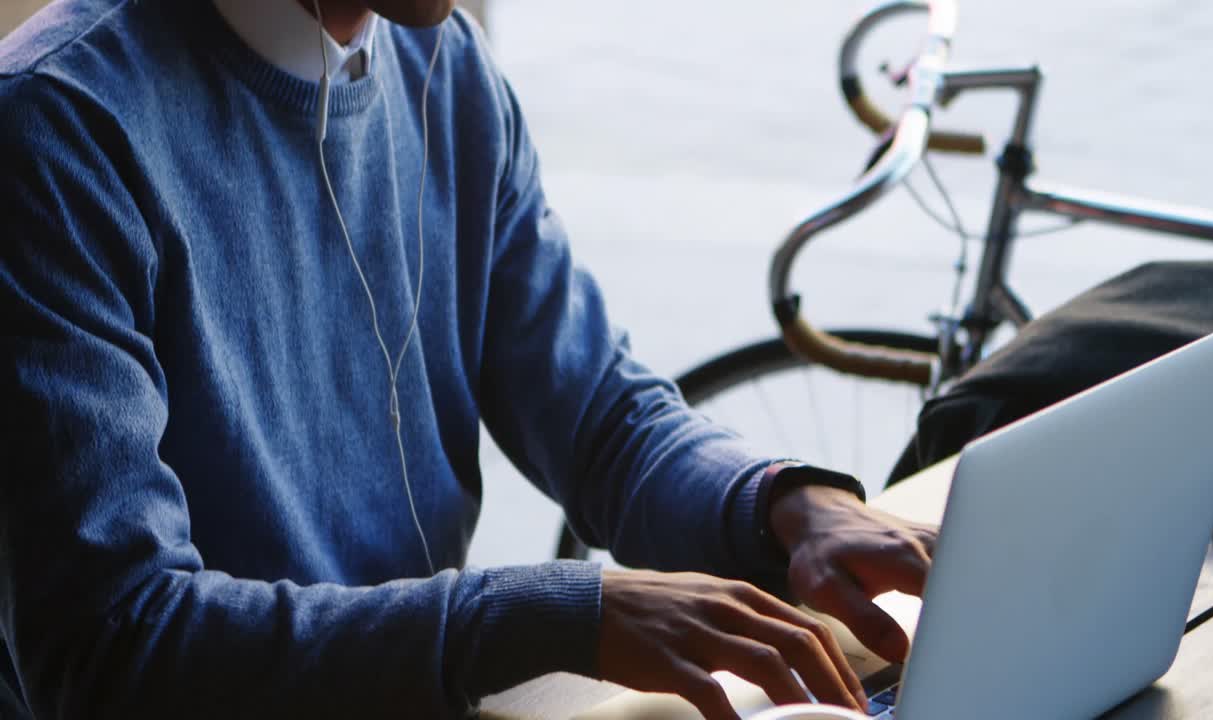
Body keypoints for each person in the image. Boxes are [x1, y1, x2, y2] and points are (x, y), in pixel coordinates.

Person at [0, 1, 937, 717]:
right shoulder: (57, 126)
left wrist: (782, 506)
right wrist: (552, 615)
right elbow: (114, 645)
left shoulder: (443, 68)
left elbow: (599, 417)